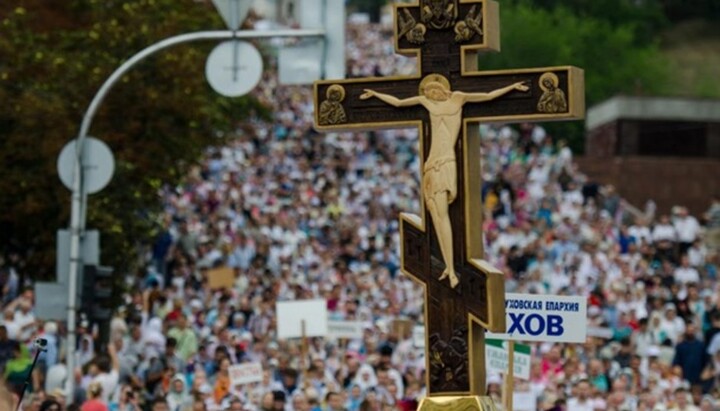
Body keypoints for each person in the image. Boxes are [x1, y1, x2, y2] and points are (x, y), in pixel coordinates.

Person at [360, 75, 529, 287]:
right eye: (428, 93)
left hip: (446, 162)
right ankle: (448, 266)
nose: (431, 96)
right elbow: (399, 102)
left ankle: (451, 267)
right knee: (435, 215)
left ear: (441, 89)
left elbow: (487, 96)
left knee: (442, 215)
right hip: (431, 163)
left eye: (433, 92)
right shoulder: (426, 102)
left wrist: (512, 86)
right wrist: (375, 95)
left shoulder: (458, 98)